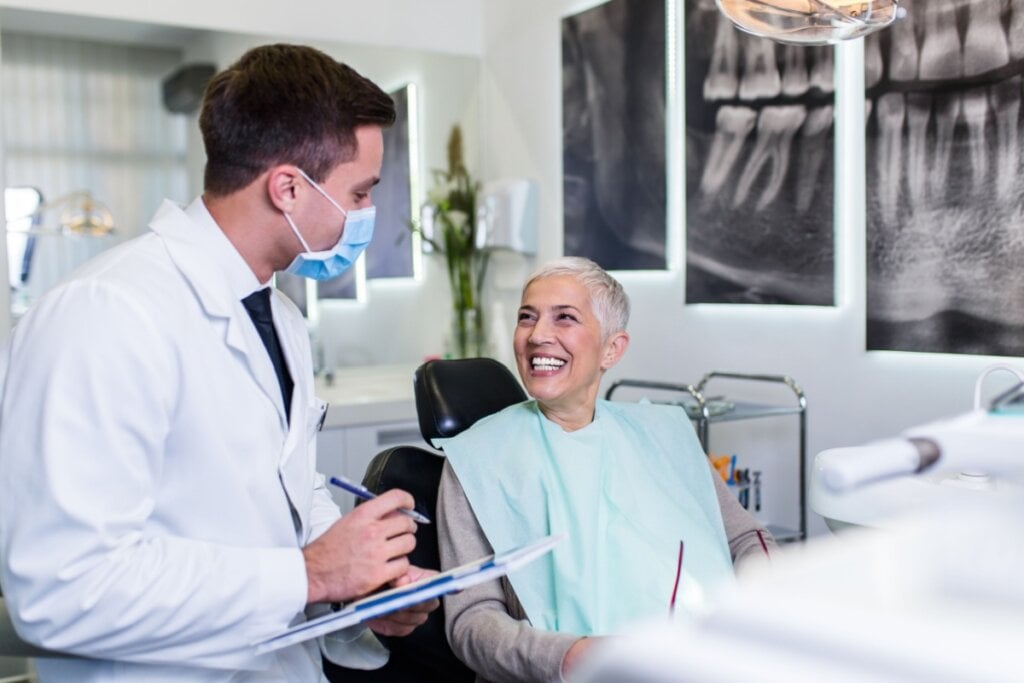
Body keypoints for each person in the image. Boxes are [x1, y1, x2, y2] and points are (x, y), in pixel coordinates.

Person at [0, 44, 437, 682]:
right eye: (361, 192)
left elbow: (289, 488)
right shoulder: (106, 312)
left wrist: (355, 590)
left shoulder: (280, 317)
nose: (368, 214)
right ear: (289, 187)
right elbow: (62, 591)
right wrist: (312, 574)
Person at [436, 257, 777, 682]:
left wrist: (772, 599)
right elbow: (472, 619)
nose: (538, 335)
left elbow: (745, 537)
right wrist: (571, 656)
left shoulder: (664, 434)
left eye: (565, 318)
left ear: (611, 349)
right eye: (527, 317)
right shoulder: (476, 459)